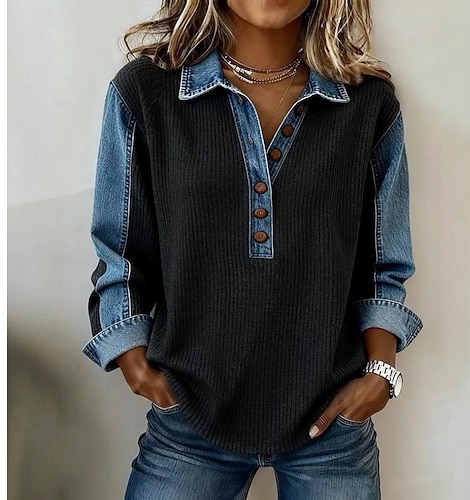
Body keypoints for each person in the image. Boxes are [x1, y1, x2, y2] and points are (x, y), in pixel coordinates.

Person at [82, 0, 423, 498]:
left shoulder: (367, 103)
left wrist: (380, 372)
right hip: (188, 422)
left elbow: (382, 262)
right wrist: (134, 362)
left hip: (332, 427)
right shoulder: (147, 93)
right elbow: (121, 249)